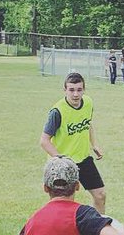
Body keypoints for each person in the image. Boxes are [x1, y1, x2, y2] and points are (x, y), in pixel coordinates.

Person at [39, 72, 108, 215]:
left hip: (83, 159)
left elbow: (87, 123)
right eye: (71, 90)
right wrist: (62, 160)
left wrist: (94, 144)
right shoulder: (57, 112)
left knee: (100, 195)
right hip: (63, 165)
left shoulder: (88, 103)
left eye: (79, 90)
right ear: (64, 90)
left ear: (84, 90)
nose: (75, 94)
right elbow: (44, 141)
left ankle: (97, 233)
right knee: (65, 204)